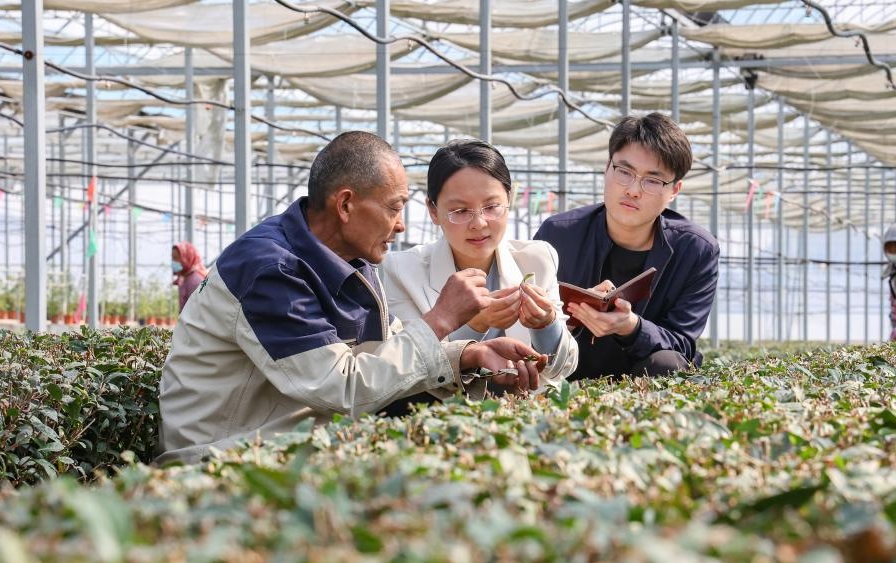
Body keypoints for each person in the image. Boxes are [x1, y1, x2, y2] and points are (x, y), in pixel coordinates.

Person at [157, 131, 547, 465]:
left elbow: (384, 351)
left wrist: (466, 355)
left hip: (284, 444)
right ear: (345, 205)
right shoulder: (269, 270)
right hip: (218, 459)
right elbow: (340, 386)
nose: (401, 225)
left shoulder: (351, 261)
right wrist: (441, 318)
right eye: (395, 207)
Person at [382, 139, 578, 391]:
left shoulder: (537, 258)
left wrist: (546, 326)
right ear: (433, 210)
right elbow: (406, 369)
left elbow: (563, 367)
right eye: (460, 211)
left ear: (510, 198)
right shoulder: (401, 270)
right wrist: (475, 325)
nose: (479, 223)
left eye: (491, 206)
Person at [534, 112, 719, 379]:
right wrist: (567, 318)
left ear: (674, 191)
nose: (633, 190)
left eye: (653, 180)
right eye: (624, 172)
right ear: (607, 168)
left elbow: (682, 343)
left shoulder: (696, 249)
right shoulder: (558, 234)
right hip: (567, 373)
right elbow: (526, 326)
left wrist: (631, 326)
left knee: (668, 364)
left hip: (643, 379)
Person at [171, 241, 208, 312]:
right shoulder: (184, 278)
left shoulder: (196, 281)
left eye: (176, 258)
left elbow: (197, 311)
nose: (173, 262)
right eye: (173, 258)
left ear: (187, 257)